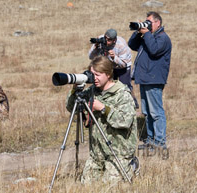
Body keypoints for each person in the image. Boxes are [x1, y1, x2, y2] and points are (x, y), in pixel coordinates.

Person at [66, 56, 138, 184]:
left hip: (118, 152)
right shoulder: (92, 91)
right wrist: (75, 90)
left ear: (109, 74)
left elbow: (125, 122)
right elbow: (72, 108)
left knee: (110, 185)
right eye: (92, 75)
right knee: (87, 185)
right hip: (97, 153)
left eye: (98, 75)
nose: (94, 79)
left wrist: (104, 108)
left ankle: (132, 165)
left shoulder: (122, 94)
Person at [128, 11, 172, 150]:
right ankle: (151, 140)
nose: (147, 24)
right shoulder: (149, 36)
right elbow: (132, 45)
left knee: (156, 112)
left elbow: (154, 50)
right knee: (146, 112)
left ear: (158, 22)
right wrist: (138, 31)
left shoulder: (162, 38)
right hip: (145, 79)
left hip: (154, 79)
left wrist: (146, 33)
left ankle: (160, 142)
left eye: (149, 22)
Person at [89, 29, 139, 109]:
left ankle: (132, 105)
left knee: (125, 86)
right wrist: (95, 47)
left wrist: (114, 57)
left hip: (122, 66)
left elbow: (124, 64)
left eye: (109, 40)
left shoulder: (121, 44)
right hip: (109, 66)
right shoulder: (100, 40)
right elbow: (91, 57)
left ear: (114, 40)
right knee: (108, 85)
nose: (106, 41)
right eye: (106, 38)